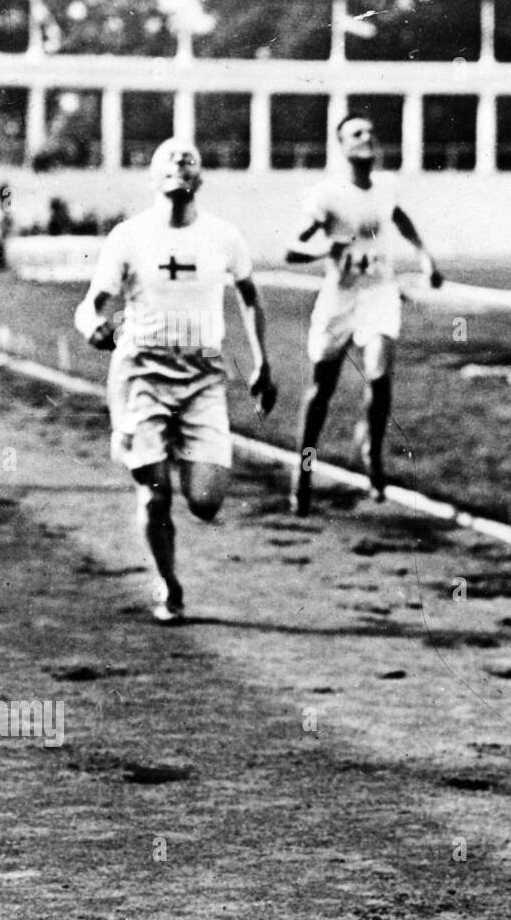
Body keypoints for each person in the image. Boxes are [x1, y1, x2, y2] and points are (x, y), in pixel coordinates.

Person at [74, 138, 277, 624]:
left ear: (200, 178)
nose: (180, 164)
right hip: (141, 372)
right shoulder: (129, 236)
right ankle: (167, 582)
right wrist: (90, 327)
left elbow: (250, 296)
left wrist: (262, 362)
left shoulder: (224, 236)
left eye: (190, 158)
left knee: (205, 502)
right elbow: (92, 303)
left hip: (203, 375)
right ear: (153, 177)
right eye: (169, 159)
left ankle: (180, 464)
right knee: (154, 490)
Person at [285, 114, 442, 516]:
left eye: (371, 131)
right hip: (340, 298)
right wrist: (327, 247)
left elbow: (401, 219)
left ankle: (372, 452)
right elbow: (293, 248)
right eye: (357, 133)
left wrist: (424, 256)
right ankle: (303, 474)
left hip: (379, 293)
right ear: (342, 146)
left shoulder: (386, 187)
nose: (367, 137)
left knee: (378, 375)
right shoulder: (328, 195)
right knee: (320, 392)